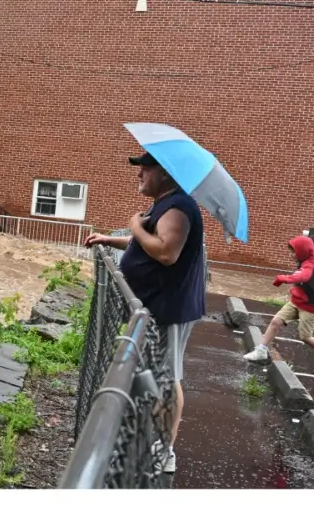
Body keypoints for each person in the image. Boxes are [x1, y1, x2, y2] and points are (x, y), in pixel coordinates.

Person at [84, 151, 206, 476]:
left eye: (145, 169)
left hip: (169, 308)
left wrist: (135, 225)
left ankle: (164, 451)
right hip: (158, 306)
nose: (139, 174)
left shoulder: (178, 207)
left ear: (164, 172)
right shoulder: (166, 204)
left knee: (167, 377)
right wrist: (112, 238)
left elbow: (166, 251)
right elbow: (147, 244)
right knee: (157, 371)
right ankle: (149, 432)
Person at [242, 235, 314, 376]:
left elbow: (304, 276)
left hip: (311, 307)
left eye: (294, 252)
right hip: (296, 302)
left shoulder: (309, 266)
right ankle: (261, 350)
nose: (291, 255)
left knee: (305, 336)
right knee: (276, 321)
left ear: (303, 252)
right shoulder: (309, 263)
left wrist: (284, 278)